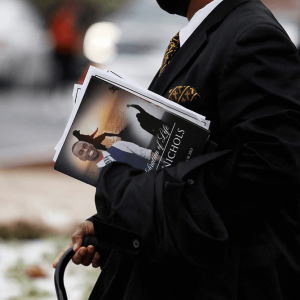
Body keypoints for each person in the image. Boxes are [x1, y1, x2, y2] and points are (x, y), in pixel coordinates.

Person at [53, 0, 300, 299]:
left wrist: (129, 196)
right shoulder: (209, 31)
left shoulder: (253, 34)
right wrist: (114, 226)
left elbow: (268, 165)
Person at [72, 140, 160, 171]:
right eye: (81, 152)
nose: (86, 150)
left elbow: (148, 154)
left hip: (160, 170)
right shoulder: (104, 177)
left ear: (90, 144)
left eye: (85, 146)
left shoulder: (119, 145)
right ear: (82, 159)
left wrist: (166, 161)